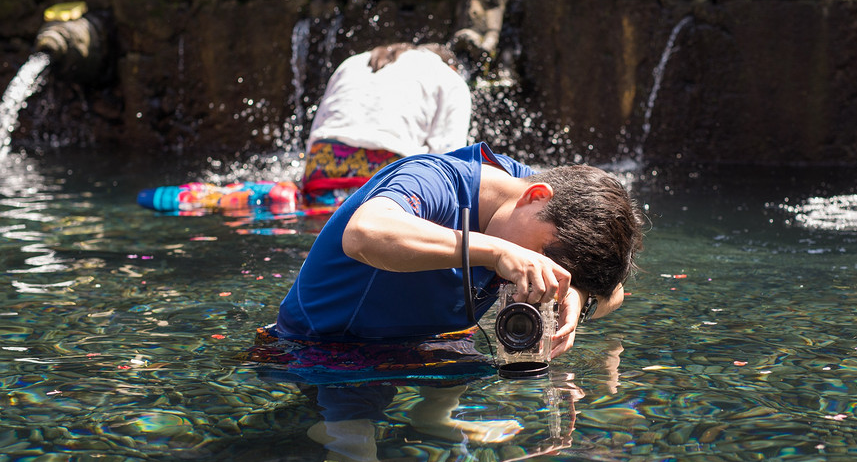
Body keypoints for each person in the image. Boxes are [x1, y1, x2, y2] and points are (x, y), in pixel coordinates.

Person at [269, 142, 644, 359]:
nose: (537, 270)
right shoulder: (434, 181)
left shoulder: (535, 204)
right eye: (541, 257)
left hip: (426, 345)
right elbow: (364, 234)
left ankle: (441, 424)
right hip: (321, 347)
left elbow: (616, 293)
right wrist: (496, 252)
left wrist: (577, 296)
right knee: (356, 422)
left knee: (459, 365)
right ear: (535, 198)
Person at [301, 42, 472, 208]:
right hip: (387, 177)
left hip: (321, 167)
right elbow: (449, 159)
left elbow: (317, 130)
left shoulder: (352, 62)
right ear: (453, 69)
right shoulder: (448, 76)